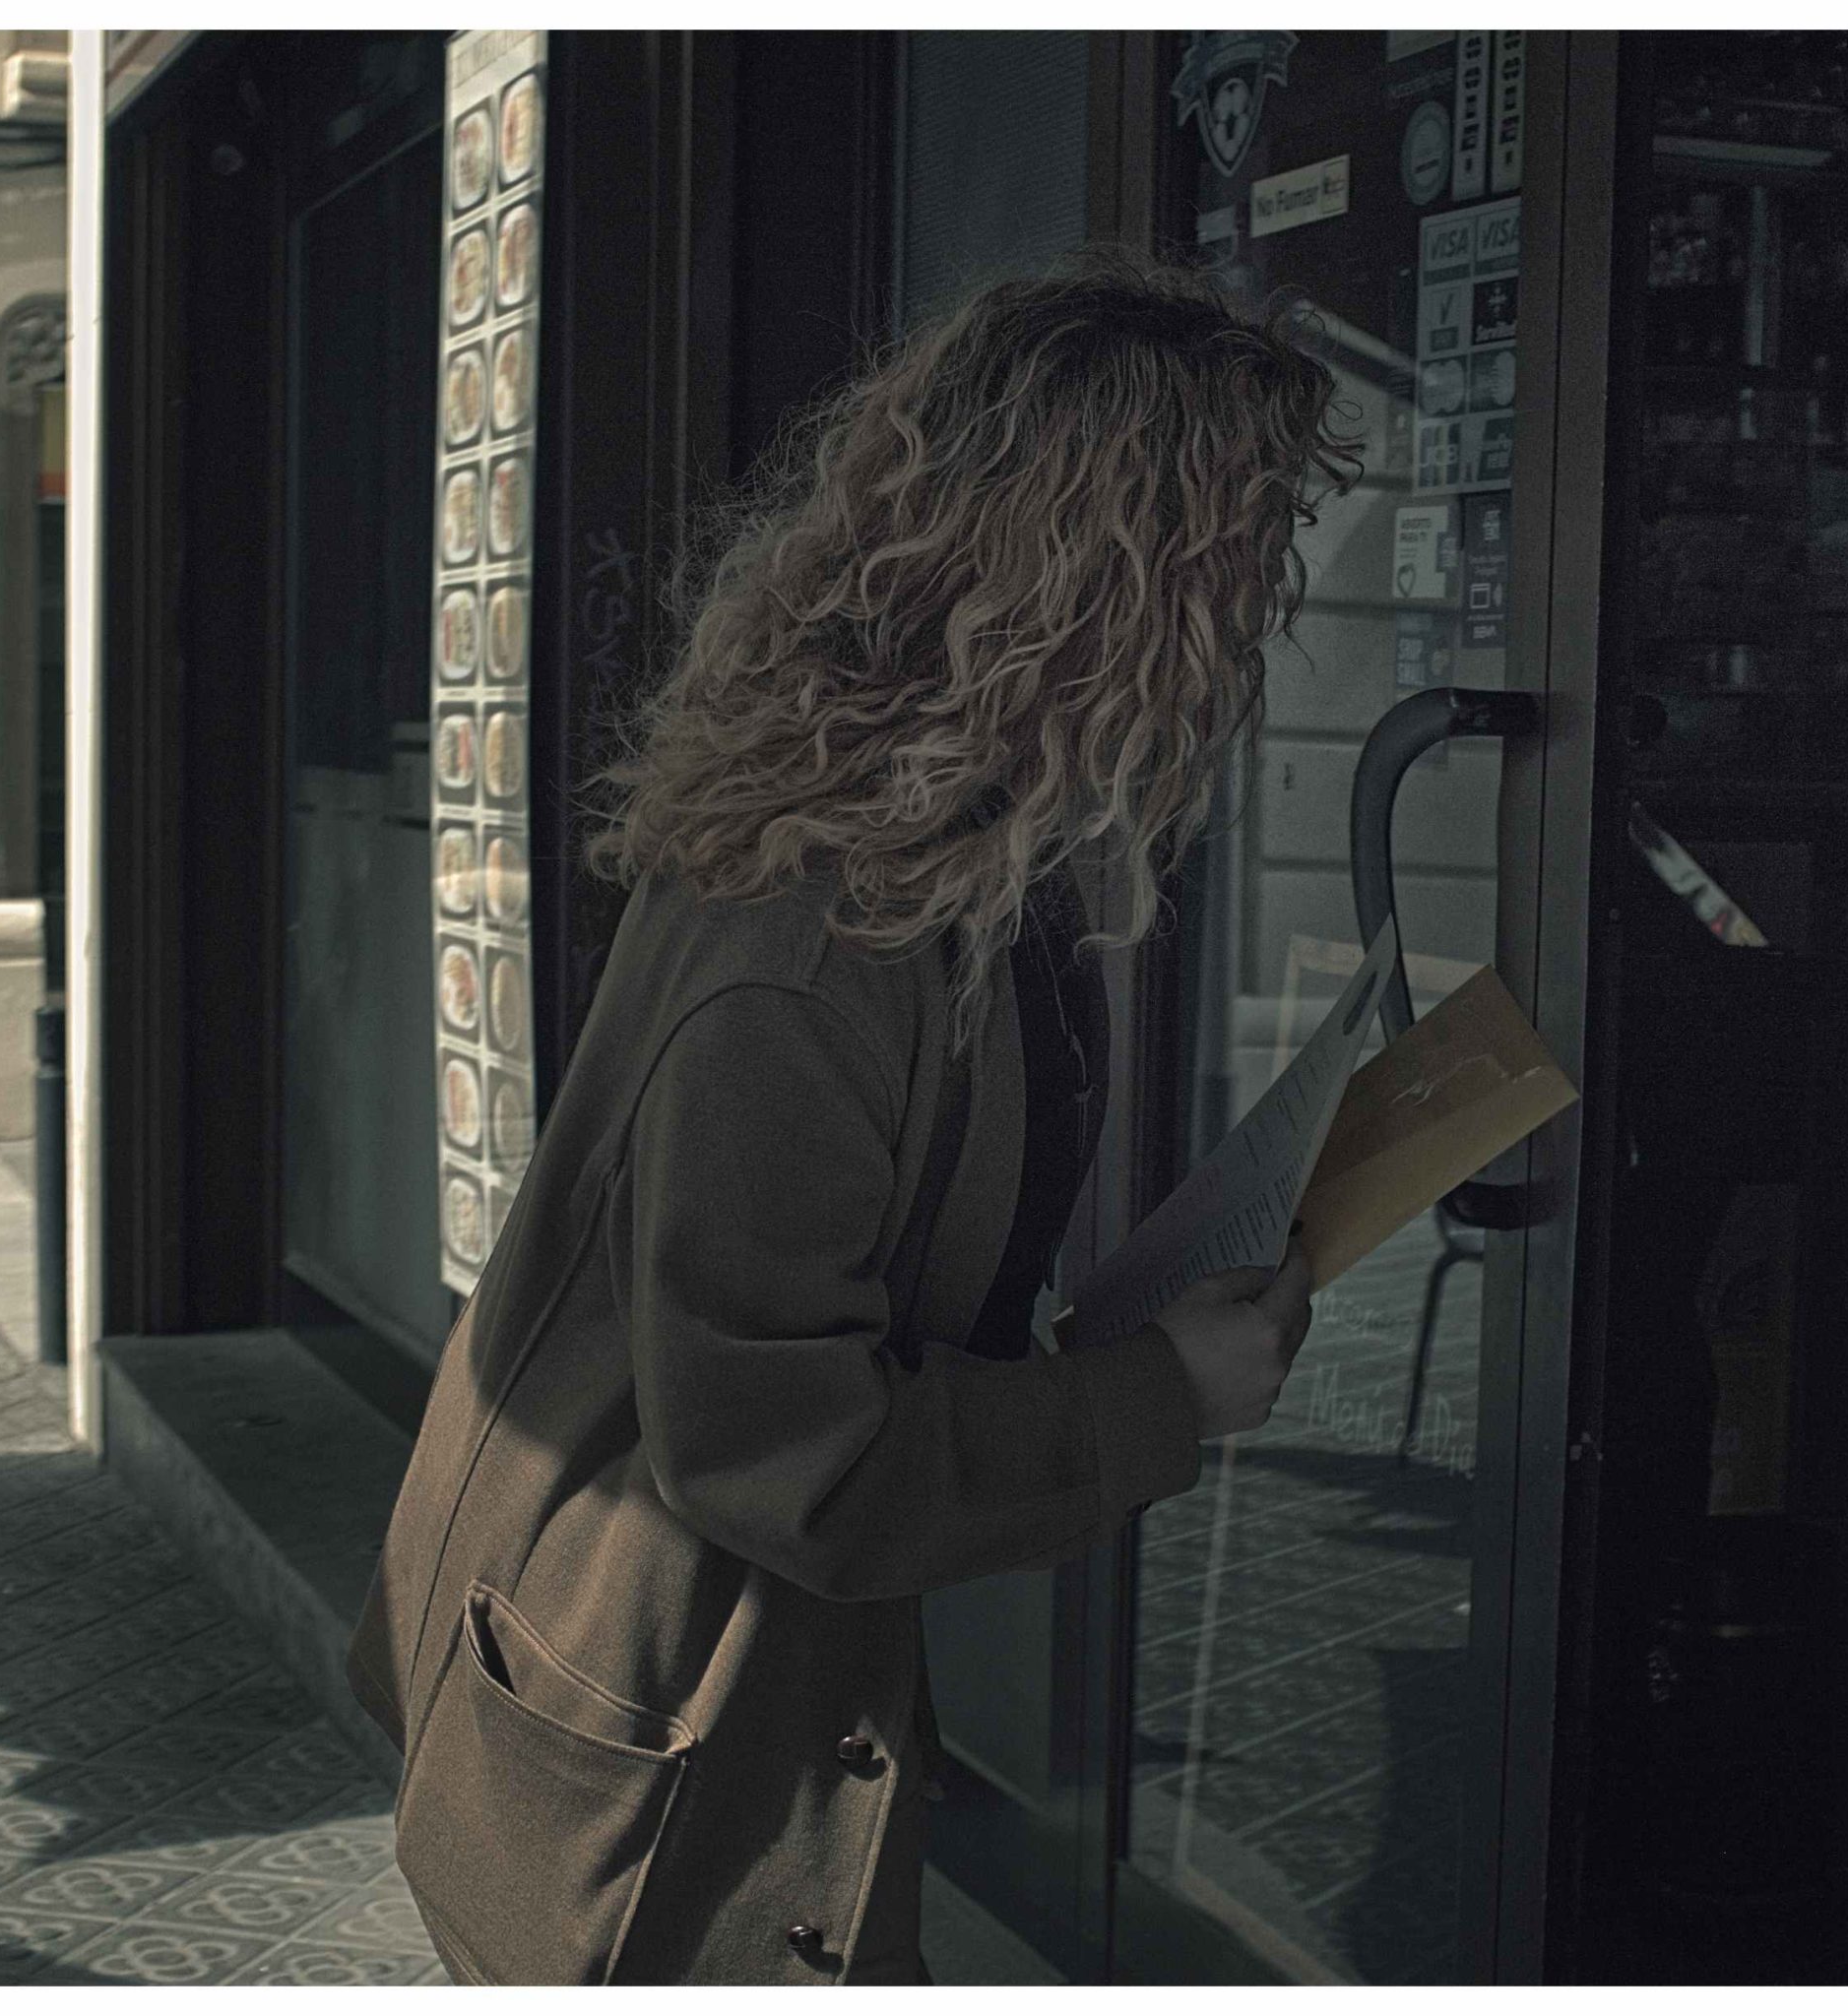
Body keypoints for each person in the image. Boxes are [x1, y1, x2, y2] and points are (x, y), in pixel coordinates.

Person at [347, 246, 1364, 1985]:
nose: (1262, 612)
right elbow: (778, 1452)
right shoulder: (821, 941)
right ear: (1114, 583)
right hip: (656, 1707)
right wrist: (1160, 1393)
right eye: (1241, 554)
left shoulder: (927, 847)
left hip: (710, 1676)